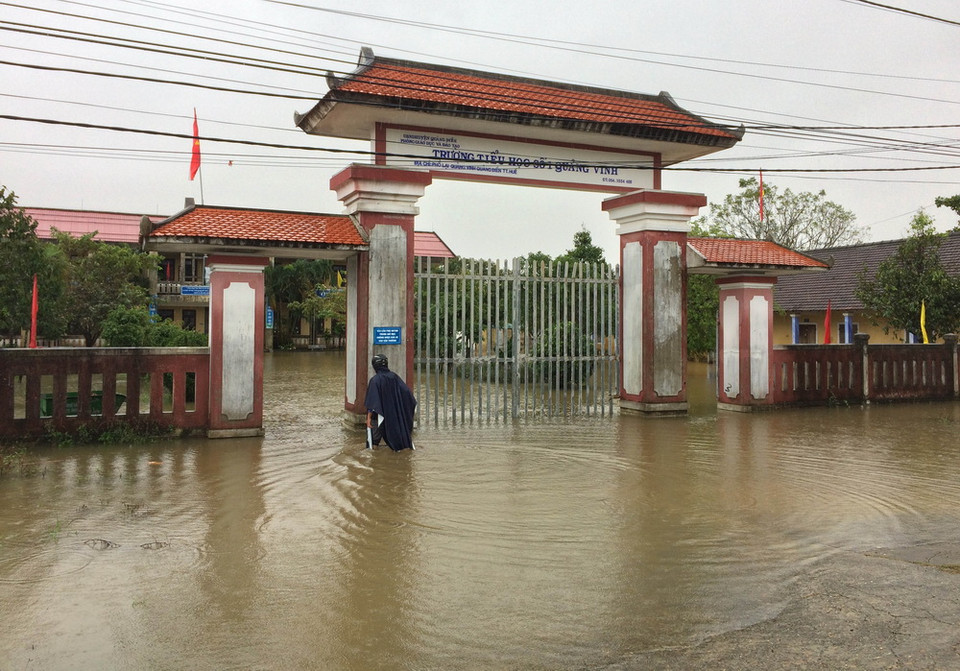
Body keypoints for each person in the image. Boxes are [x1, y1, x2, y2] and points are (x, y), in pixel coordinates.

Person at [364, 354, 417, 451]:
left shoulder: (375, 380)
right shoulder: (395, 377)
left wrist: (368, 418)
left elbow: (372, 403)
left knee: (373, 442)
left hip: (379, 417)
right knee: (397, 441)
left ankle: (373, 463)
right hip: (394, 416)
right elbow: (408, 395)